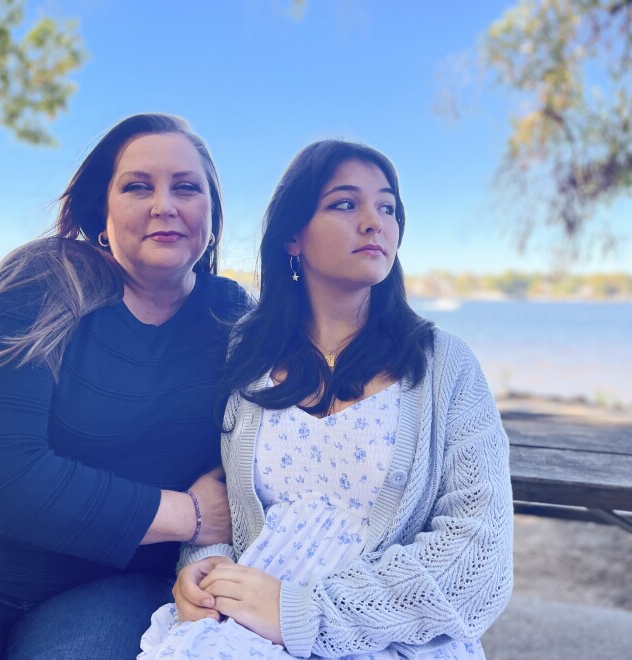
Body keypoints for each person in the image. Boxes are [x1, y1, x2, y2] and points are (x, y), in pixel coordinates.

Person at [0, 113, 250, 659]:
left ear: (211, 215)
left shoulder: (235, 318)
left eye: (186, 187)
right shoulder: (42, 282)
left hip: (105, 584)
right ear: (103, 211)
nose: (163, 205)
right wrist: (191, 516)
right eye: (137, 186)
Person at [139, 140, 514, 659]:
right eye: (345, 203)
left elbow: (480, 555)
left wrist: (305, 614)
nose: (373, 221)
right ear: (293, 236)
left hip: (388, 639)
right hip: (240, 631)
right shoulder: (247, 356)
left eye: (387, 207)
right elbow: (220, 496)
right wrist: (202, 572)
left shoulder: (445, 366)